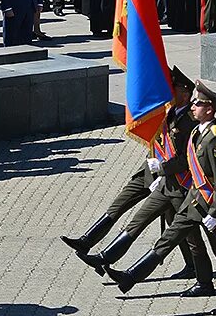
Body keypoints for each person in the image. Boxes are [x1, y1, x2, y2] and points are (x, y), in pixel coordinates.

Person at [107, 81, 216, 316]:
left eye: (198, 104)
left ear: (209, 109)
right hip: (194, 199)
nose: (192, 107)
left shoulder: (214, 140)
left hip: (210, 205)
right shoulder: (196, 132)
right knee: (169, 238)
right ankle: (131, 276)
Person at [75, 68, 208, 287]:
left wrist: (162, 169)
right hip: (165, 183)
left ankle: (202, 278)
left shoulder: (190, 122)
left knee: (189, 237)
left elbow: (187, 159)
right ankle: (104, 258)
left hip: (183, 187)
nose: (168, 92)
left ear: (184, 92)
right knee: (139, 220)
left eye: (172, 88)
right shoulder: (171, 112)